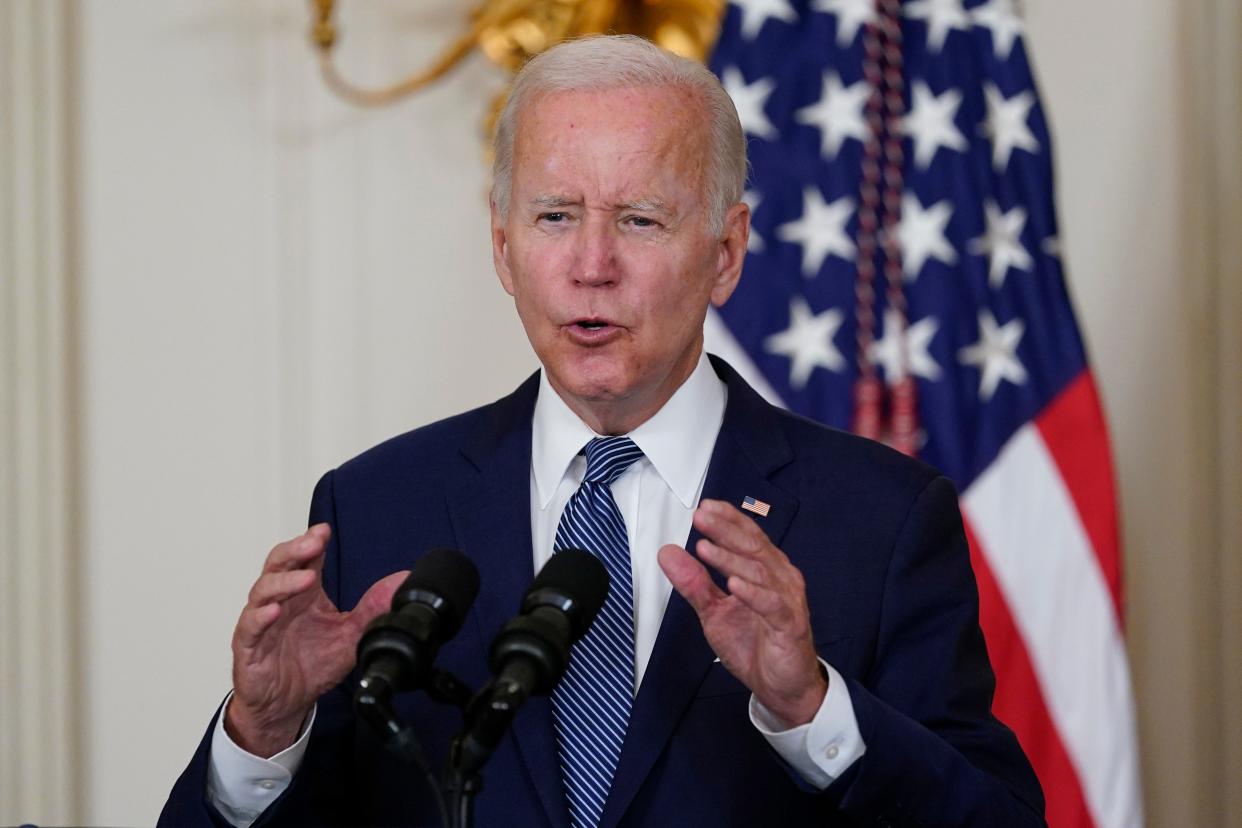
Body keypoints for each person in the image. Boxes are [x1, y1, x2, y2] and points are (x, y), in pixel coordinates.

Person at [161, 35, 1044, 828]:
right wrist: (264, 733)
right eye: (554, 217)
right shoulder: (377, 506)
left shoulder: (880, 520)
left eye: (639, 220)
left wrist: (812, 706)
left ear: (726, 254)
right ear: (503, 250)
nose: (591, 268)